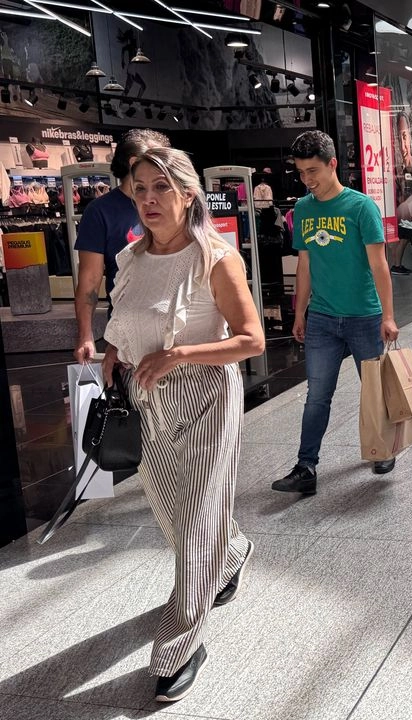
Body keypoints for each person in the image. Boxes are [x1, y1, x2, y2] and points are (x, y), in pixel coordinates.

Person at [100, 147, 265, 702]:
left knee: (194, 525)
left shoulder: (215, 257)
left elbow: (251, 340)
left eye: (161, 188)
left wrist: (179, 355)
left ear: (188, 195)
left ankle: (179, 646)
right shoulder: (131, 258)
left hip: (205, 396)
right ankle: (232, 551)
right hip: (146, 398)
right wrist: (113, 351)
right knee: (171, 513)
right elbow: (125, 319)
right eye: (140, 188)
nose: (148, 199)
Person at [273, 130, 400, 495]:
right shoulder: (303, 209)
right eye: (301, 172)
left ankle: (384, 449)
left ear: (332, 164)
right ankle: (306, 467)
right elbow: (305, 264)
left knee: (374, 389)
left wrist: (388, 316)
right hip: (323, 318)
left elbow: (379, 265)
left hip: (364, 316)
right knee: (317, 394)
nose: (307, 179)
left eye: (313, 171)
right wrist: (299, 312)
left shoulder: (361, 207)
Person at [74, 129, 171, 364]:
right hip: (127, 332)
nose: (167, 165)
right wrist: (86, 335)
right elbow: (89, 280)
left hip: (176, 325)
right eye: (158, 158)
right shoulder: (100, 211)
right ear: (134, 162)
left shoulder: (173, 202)